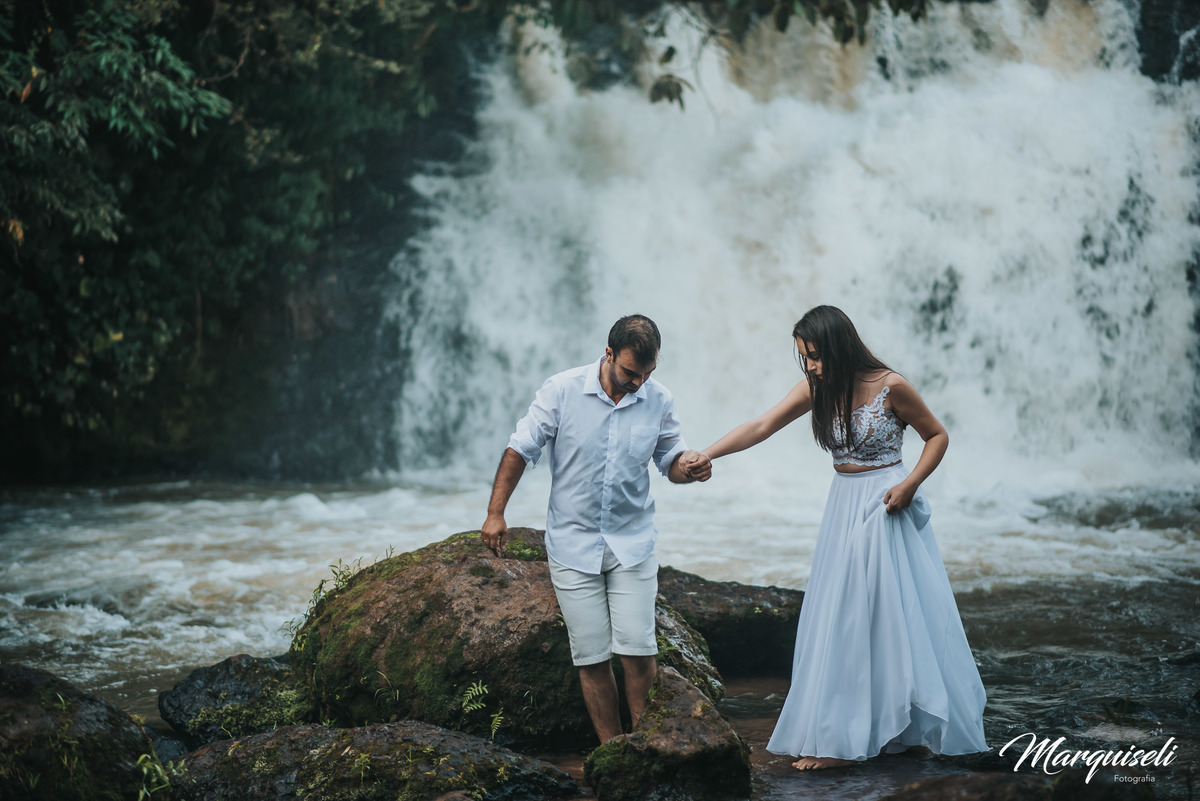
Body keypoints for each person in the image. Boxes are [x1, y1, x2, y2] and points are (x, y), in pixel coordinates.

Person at [683, 305, 987, 770]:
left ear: (840, 347)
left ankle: (856, 742)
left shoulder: (892, 387)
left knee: (883, 619)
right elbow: (761, 425)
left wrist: (909, 485)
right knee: (843, 616)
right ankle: (866, 732)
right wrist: (709, 453)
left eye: (816, 356)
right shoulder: (818, 387)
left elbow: (937, 436)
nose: (811, 366)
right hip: (842, 505)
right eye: (805, 357)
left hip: (884, 505)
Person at [480, 314, 710, 744]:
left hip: (632, 542)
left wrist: (689, 468)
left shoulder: (658, 399)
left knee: (639, 654)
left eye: (647, 374)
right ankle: (614, 750)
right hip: (572, 543)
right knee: (591, 658)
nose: (638, 383)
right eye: (630, 373)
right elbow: (520, 449)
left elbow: (670, 461)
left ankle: (646, 746)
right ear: (607, 354)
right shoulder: (561, 391)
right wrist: (496, 513)